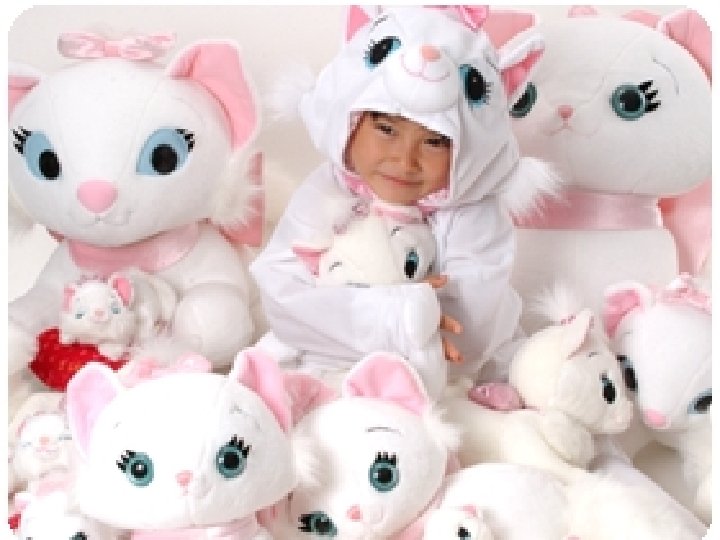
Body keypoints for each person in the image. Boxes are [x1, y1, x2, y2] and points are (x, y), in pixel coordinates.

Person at [251, 5, 553, 394]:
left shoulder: (473, 215)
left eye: (434, 142)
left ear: (469, 149)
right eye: (386, 129)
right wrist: (403, 317)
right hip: (328, 355)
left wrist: (343, 315)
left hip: (444, 372)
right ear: (349, 121)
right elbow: (282, 297)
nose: (404, 161)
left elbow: (468, 331)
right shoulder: (328, 188)